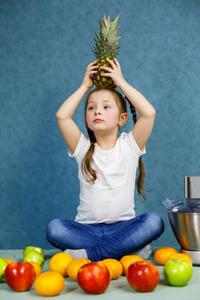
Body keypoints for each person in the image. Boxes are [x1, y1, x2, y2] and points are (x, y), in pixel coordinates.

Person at [46, 58, 164, 261]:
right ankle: (125, 250)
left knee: (154, 221)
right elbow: (62, 116)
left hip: (122, 228)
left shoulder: (130, 146)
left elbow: (149, 112)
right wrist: (85, 86)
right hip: (86, 230)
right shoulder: (82, 148)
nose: (97, 111)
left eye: (106, 107)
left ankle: (93, 254)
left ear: (122, 119)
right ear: (86, 118)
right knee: (55, 228)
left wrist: (121, 83)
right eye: (91, 108)